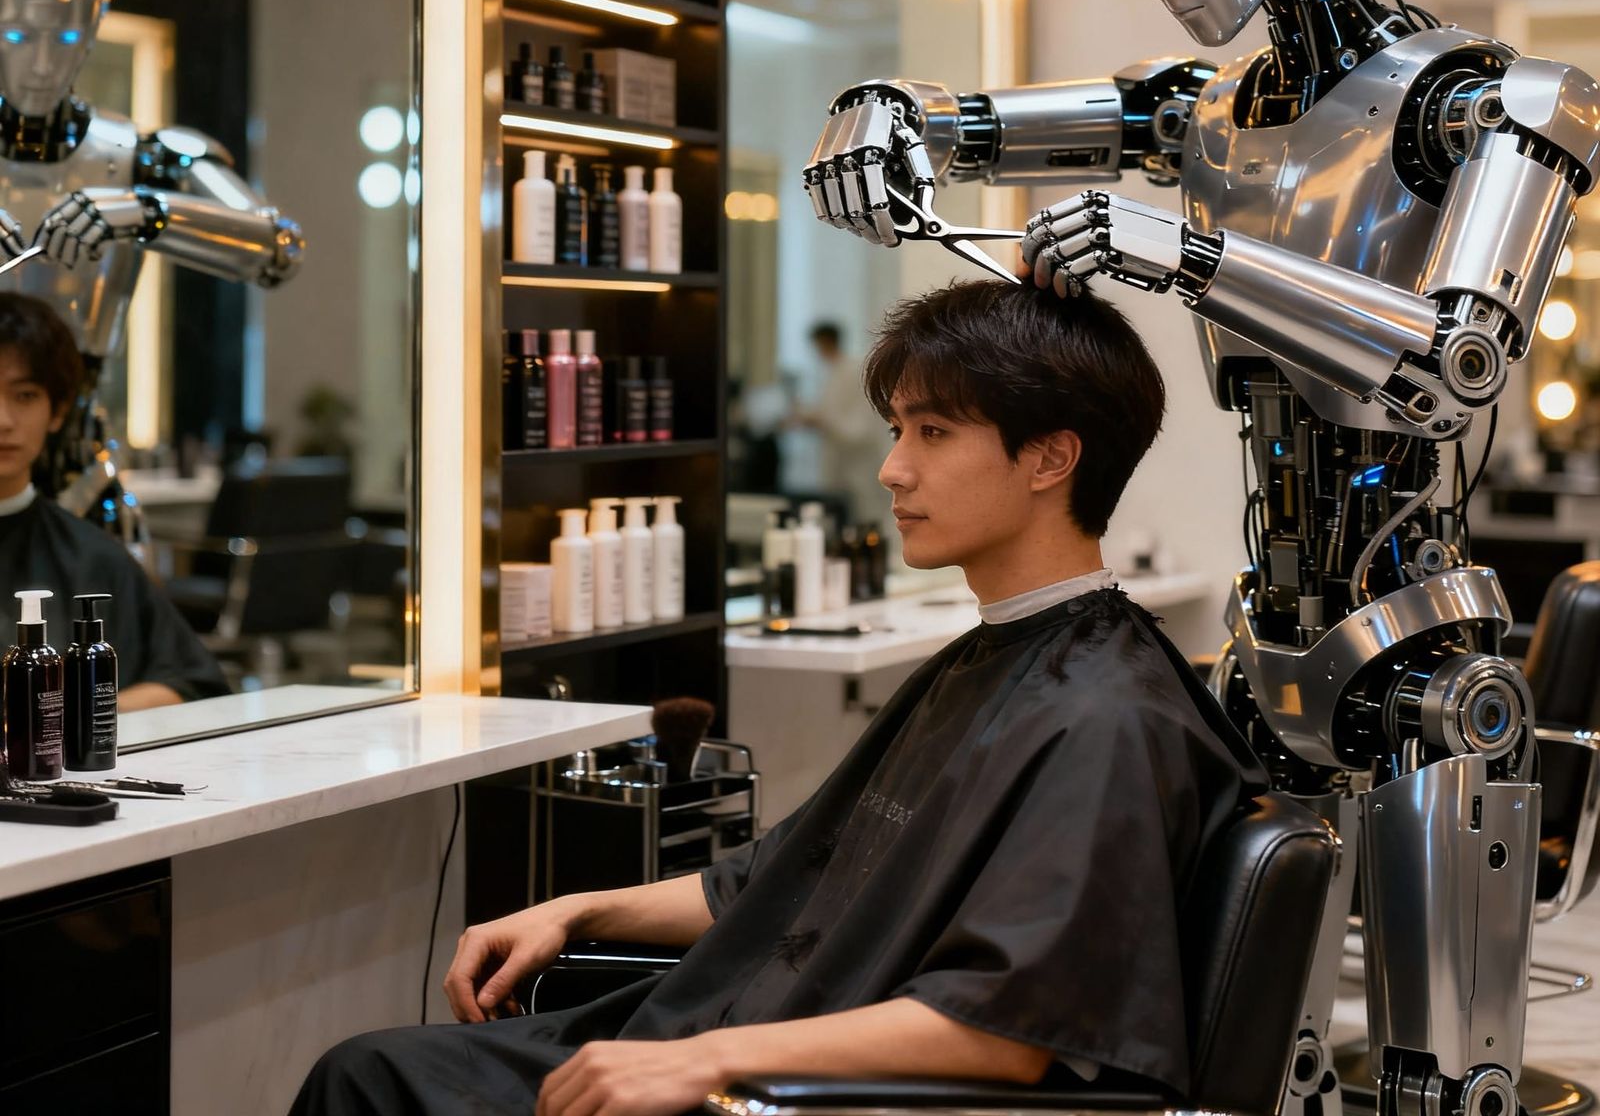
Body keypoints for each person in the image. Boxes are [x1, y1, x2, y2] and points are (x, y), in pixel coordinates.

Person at [292, 279, 1267, 1116]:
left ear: (1050, 458)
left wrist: (700, 1056)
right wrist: (581, 909)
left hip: (797, 1086)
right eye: (897, 430)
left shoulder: (1103, 719)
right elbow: (789, 880)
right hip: (755, 1036)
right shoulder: (998, 656)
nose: (892, 468)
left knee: (375, 1085)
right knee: (372, 1070)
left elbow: (1006, 1033)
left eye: (932, 432)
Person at [0, 292, 228, 709]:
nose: (4, 420)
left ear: (57, 411)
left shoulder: (95, 559)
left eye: (26, 395)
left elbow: (195, 685)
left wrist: (70, 713)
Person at [788, 320, 884, 523]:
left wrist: (821, 421)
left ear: (825, 342)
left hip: (857, 460)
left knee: (864, 512)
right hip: (839, 459)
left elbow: (857, 426)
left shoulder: (852, 371)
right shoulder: (833, 372)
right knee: (842, 512)